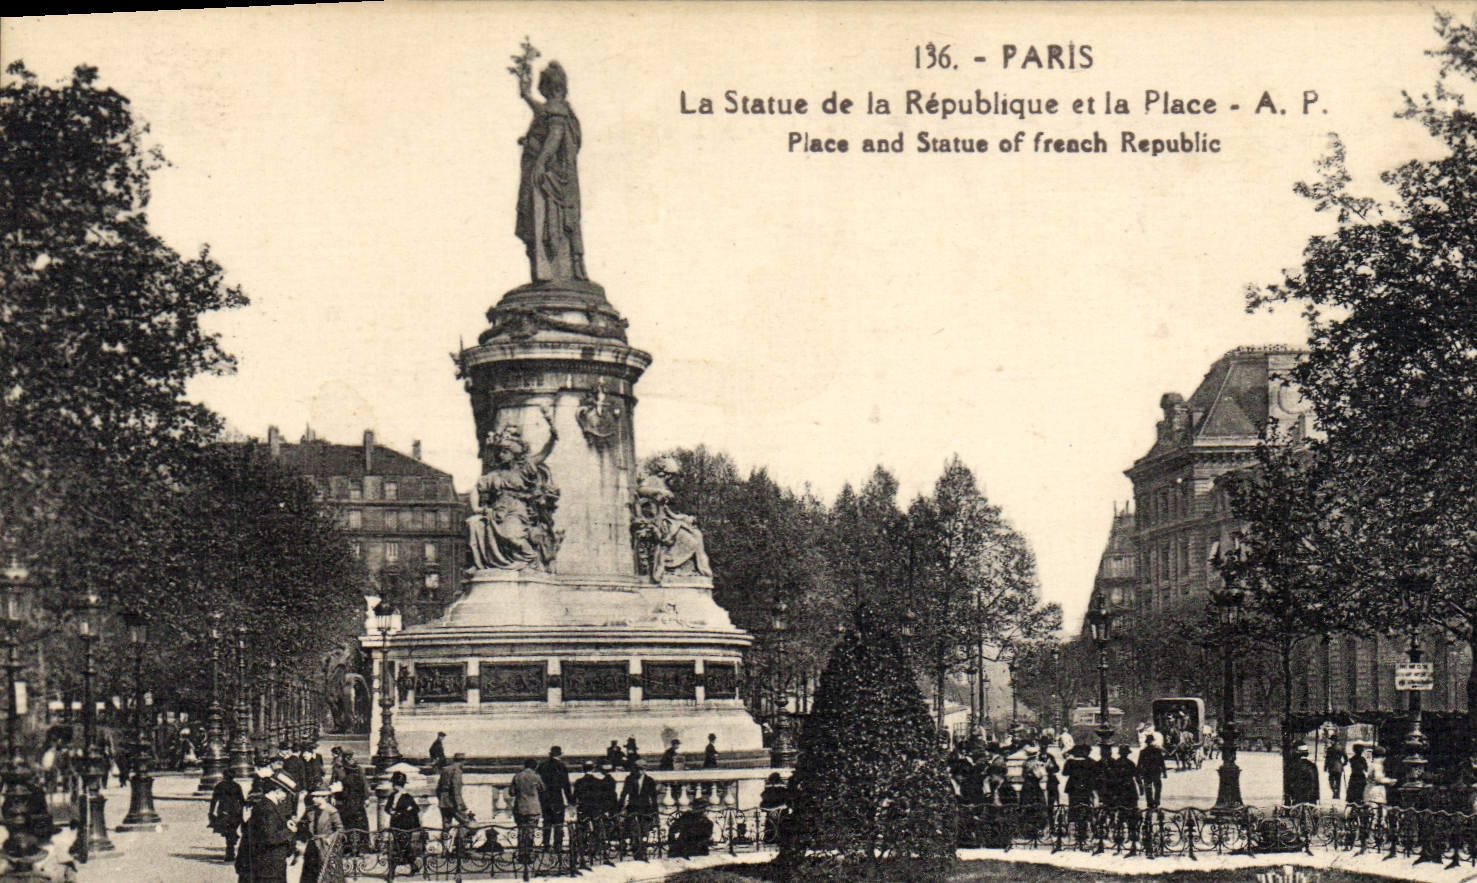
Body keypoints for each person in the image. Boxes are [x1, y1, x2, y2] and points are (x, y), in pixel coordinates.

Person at [515, 57, 587, 282]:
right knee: (538, 221)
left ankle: (554, 271)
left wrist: (541, 161)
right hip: (549, 178)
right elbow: (543, 112)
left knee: (545, 222)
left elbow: (554, 136)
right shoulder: (558, 108)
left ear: (547, 86)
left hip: (550, 180)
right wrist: (526, 96)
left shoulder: (557, 110)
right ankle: (554, 270)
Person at [246, 771, 297, 883]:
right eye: (286, 793)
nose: (286, 797)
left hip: (271, 865)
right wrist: (289, 831)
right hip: (269, 866)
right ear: (278, 791)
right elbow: (270, 837)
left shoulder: (269, 806)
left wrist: (285, 825)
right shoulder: (267, 809)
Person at [300, 785, 345, 883]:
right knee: (310, 873)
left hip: (325, 847)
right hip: (312, 845)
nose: (314, 799)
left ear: (324, 797)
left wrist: (330, 839)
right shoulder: (310, 811)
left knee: (326, 873)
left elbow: (340, 830)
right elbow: (304, 826)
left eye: (317, 797)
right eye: (313, 797)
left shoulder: (332, 811)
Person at [618, 760, 659, 860]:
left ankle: (643, 851)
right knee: (633, 829)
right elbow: (624, 794)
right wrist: (619, 807)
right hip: (633, 808)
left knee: (645, 830)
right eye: (639, 769)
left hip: (645, 809)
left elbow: (653, 798)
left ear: (645, 770)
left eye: (643, 769)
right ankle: (636, 850)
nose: (640, 772)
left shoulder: (650, 781)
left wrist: (655, 813)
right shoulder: (629, 779)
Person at [536, 746, 573, 852]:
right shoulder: (561, 766)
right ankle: (558, 846)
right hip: (557, 797)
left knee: (547, 822)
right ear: (560, 754)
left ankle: (546, 845)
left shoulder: (542, 766)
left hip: (545, 798)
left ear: (550, 754)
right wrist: (570, 800)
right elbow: (566, 785)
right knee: (558, 823)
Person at [386, 771, 423, 875]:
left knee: (402, 846)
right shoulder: (392, 796)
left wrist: (402, 813)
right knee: (399, 846)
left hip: (405, 826)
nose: (394, 786)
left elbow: (415, 810)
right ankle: (413, 865)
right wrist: (391, 811)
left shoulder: (407, 797)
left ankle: (393, 870)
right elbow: (387, 808)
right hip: (395, 825)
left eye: (397, 784)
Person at [335, 749, 370, 856]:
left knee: (358, 824)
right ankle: (348, 848)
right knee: (348, 824)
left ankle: (360, 848)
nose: (349, 759)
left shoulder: (357, 768)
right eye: (347, 757)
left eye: (350, 756)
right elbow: (335, 783)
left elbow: (364, 783)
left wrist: (366, 797)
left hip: (356, 800)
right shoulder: (339, 769)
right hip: (346, 800)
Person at [208, 767, 245, 862]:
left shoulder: (219, 786)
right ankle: (231, 850)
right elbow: (241, 800)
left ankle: (230, 852)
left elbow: (214, 800)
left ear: (224, 776)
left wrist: (211, 812)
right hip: (235, 812)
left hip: (224, 812)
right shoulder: (237, 786)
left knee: (228, 832)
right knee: (232, 831)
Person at [512, 759, 544, 863]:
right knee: (531, 831)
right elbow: (543, 789)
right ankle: (529, 855)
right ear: (535, 766)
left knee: (521, 831)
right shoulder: (536, 777)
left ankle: (521, 854)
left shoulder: (517, 777)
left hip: (520, 807)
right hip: (533, 808)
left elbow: (511, 792)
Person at [437, 752, 470, 828]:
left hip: (443, 801)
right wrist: (459, 803)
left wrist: (441, 798)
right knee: (467, 822)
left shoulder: (445, 769)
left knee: (446, 825)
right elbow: (455, 788)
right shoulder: (457, 770)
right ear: (463, 761)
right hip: (452, 801)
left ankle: (445, 839)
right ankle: (464, 839)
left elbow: (438, 788)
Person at [1138, 734, 1167, 809]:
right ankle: (1156, 802)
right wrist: (1164, 772)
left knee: (1148, 787)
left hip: (1147, 772)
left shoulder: (1143, 751)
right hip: (1156, 772)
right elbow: (1162, 762)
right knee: (1157, 787)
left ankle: (1149, 802)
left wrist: (1139, 773)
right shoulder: (1157, 750)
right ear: (1152, 742)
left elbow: (1139, 763)